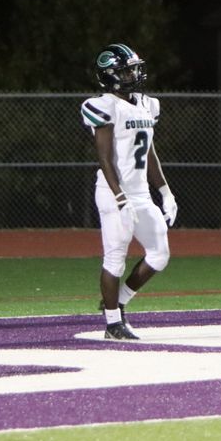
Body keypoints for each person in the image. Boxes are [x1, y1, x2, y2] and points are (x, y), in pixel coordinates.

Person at [81, 44, 178, 341]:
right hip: (114, 193)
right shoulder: (104, 105)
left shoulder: (147, 104)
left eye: (134, 68)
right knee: (115, 258)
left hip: (141, 194)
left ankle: (119, 301)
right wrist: (119, 197)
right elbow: (105, 157)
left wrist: (164, 190)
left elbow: (148, 151)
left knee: (160, 254)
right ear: (109, 76)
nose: (133, 74)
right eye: (125, 70)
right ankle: (112, 325)